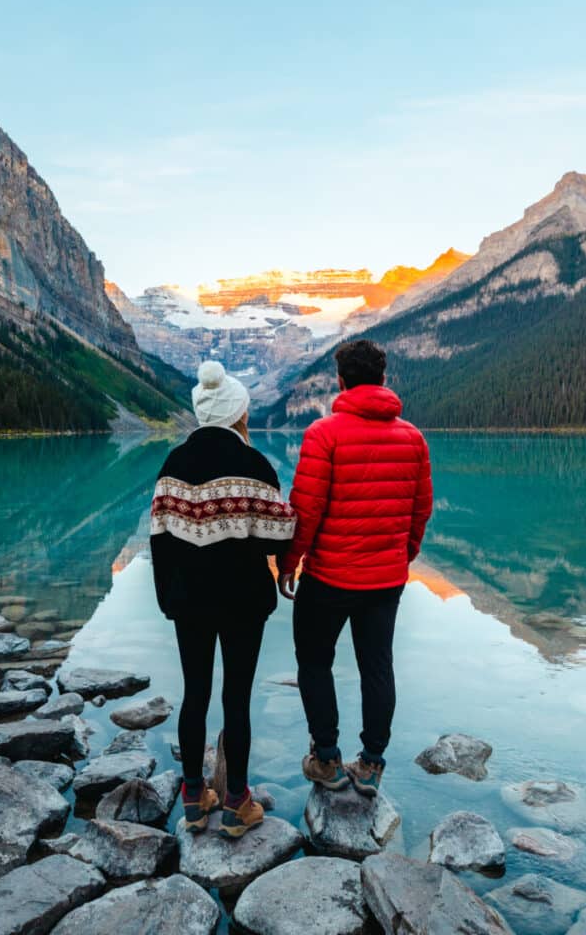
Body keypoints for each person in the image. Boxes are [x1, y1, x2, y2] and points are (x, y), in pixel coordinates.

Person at [278, 339, 432, 796]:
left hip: (327, 577)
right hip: (385, 580)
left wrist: (289, 563)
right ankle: (371, 765)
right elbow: (421, 510)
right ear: (383, 380)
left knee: (314, 662)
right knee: (377, 667)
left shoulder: (323, 434)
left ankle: (326, 758)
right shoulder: (413, 438)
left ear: (340, 381)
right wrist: (402, 556)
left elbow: (305, 510)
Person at [150, 360, 295, 838]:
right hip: (242, 602)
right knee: (237, 697)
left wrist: (167, 598)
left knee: (195, 693)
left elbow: (159, 538)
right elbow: (278, 539)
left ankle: (194, 796)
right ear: (239, 415)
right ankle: (237, 803)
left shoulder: (173, 464)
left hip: (188, 601)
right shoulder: (255, 465)